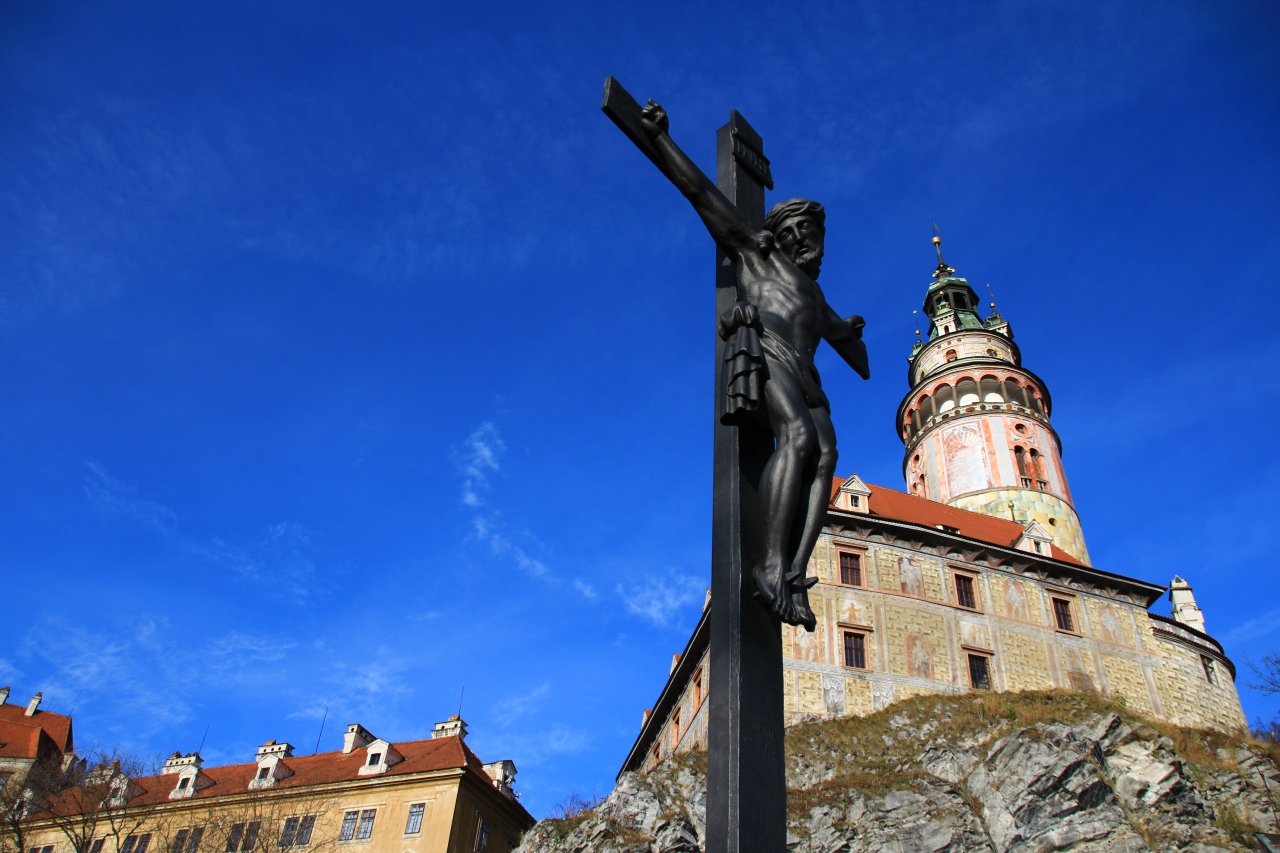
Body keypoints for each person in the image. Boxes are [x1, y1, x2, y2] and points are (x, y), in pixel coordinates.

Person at [638, 101, 870, 630]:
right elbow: (699, 192)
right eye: (801, 232)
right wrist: (660, 137)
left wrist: (850, 331)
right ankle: (768, 562)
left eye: (816, 234)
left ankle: (793, 570)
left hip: (808, 376)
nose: (810, 243)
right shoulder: (755, 255)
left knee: (826, 456)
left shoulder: (817, 295)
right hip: (769, 352)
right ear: (782, 234)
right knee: (799, 438)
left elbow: (847, 343)